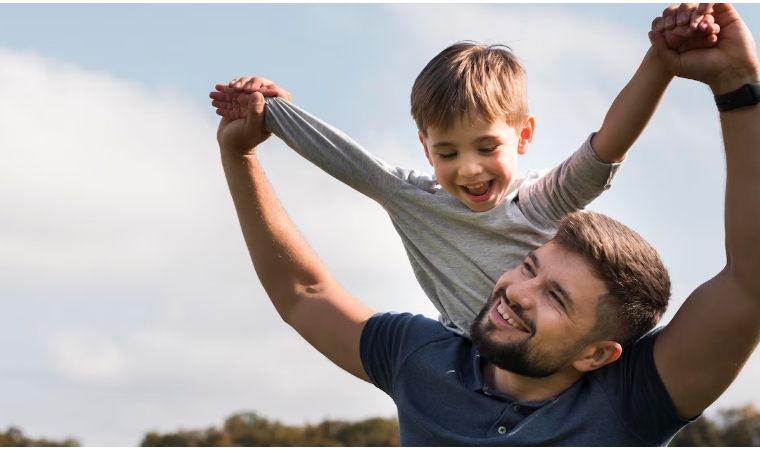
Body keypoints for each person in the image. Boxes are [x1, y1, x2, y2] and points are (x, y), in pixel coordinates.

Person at [216, 2, 760, 445]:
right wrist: (241, 156)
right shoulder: (421, 361)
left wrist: (738, 87)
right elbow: (303, 293)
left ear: (597, 353)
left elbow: (750, 283)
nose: (518, 292)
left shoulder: (632, 399)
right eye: (528, 265)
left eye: (557, 298)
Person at [210, 11, 719, 339]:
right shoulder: (412, 198)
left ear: (523, 137)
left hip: (567, 361)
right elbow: (342, 156)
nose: (469, 168)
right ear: (425, 150)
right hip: (469, 360)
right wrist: (267, 108)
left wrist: (662, 60)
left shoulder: (539, 203)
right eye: (447, 152)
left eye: (486, 146)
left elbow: (609, 144)